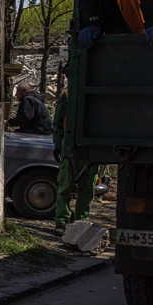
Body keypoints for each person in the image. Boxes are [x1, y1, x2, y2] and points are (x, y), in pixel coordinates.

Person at [52, 84, 98, 235]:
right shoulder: (67, 95)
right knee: (65, 185)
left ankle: (81, 222)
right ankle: (62, 221)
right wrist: (58, 145)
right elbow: (58, 123)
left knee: (87, 189)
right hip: (70, 148)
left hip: (90, 149)